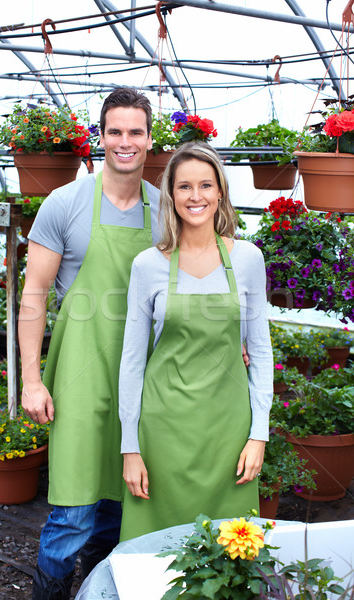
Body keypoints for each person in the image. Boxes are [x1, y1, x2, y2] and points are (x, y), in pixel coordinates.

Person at [18, 87, 161, 600]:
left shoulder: (165, 211)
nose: (126, 142)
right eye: (115, 131)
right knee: (73, 512)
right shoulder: (66, 203)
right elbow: (33, 294)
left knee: (121, 513)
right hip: (80, 376)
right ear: (100, 137)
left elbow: (195, 286)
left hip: (144, 380)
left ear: (149, 139)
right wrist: (31, 382)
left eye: (136, 132)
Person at [118, 141, 273, 541]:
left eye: (206, 185)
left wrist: (259, 435)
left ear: (220, 191)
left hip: (228, 431)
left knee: (230, 554)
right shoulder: (148, 265)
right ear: (171, 194)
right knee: (154, 551)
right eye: (184, 186)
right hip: (161, 431)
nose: (196, 196)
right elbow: (133, 361)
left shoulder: (248, 259)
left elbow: (260, 351)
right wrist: (130, 447)